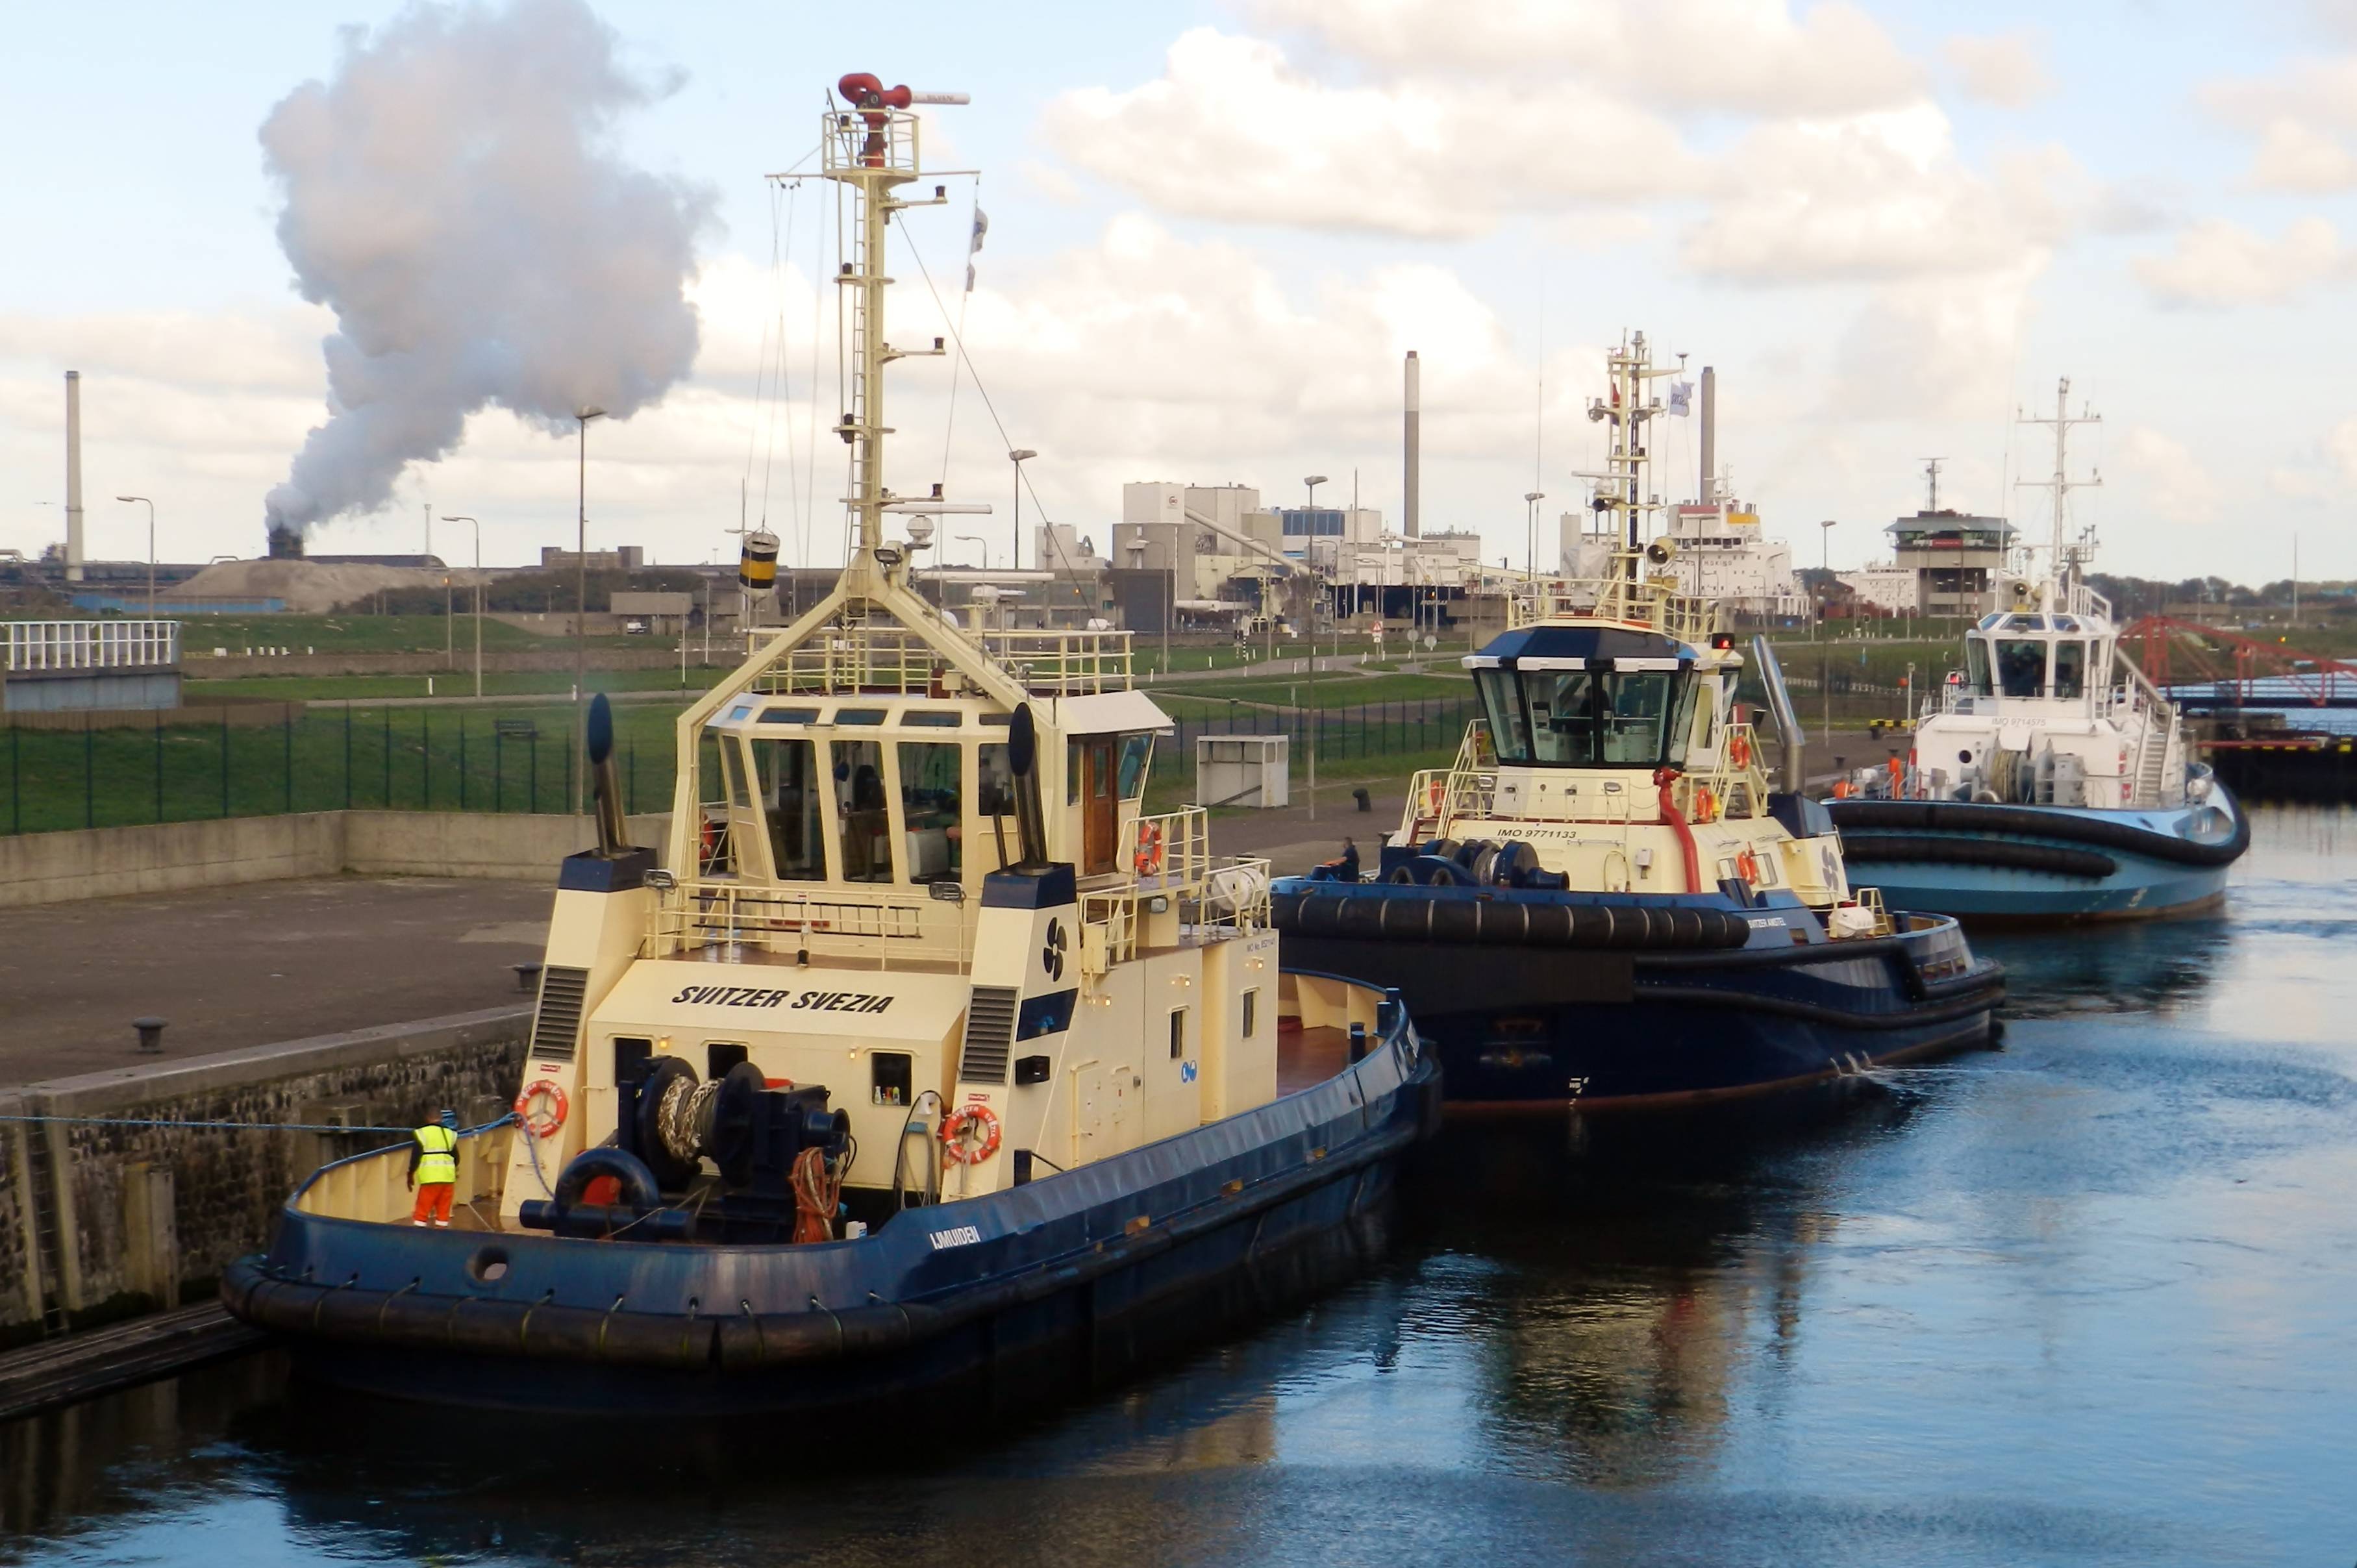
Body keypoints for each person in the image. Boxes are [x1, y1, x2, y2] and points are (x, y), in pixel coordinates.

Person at [408, 1108, 461, 1228]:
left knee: (421, 1213)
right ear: (441, 1119)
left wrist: (410, 1173)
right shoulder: (449, 1134)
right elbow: (457, 1158)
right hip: (447, 1179)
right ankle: (441, 1238)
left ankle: (419, 1237)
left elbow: (415, 1156)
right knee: (443, 1214)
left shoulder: (422, 1133)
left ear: (427, 1119)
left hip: (430, 1179)